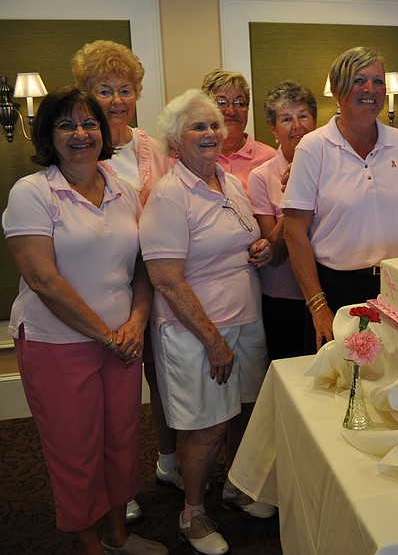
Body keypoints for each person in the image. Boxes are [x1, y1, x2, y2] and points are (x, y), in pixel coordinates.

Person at [2, 86, 167, 555]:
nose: (81, 134)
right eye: (66, 124)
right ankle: (87, 542)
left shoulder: (122, 188)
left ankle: (117, 535)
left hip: (121, 341)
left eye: (89, 123)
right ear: (47, 134)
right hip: (56, 343)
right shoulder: (32, 193)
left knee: (122, 442)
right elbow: (43, 279)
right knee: (75, 452)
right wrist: (106, 335)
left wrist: (134, 324)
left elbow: (142, 266)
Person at [139, 89, 276, 555]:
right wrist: (214, 342)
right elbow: (166, 279)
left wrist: (258, 249)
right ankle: (192, 515)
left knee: (241, 410)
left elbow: (235, 240)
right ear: (175, 142)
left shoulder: (229, 181)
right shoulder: (169, 194)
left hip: (245, 317)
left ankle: (236, 485)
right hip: (195, 332)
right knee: (207, 426)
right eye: (198, 127)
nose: (211, 133)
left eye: (214, 125)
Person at [72, 38, 178, 525]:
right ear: (87, 95)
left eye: (125, 89)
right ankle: (117, 485)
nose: (117, 100)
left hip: (154, 278)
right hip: (104, 281)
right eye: (105, 90)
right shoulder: (81, 148)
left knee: (163, 377)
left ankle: (169, 461)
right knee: (112, 392)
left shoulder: (152, 147)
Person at [282, 46, 398, 352]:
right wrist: (319, 307)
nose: (370, 90)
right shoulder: (313, 147)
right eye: (359, 80)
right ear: (336, 89)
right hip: (337, 291)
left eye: (377, 81)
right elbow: (293, 233)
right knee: (340, 388)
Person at [248, 81, 317, 359]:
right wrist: (294, 197)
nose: (297, 126)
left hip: (327, 287)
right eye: (286, 119)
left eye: (303, 116)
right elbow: (274, 255)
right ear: (273, 129)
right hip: (284, 297)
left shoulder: (332, 167)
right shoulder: (261, 177)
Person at [201, 68, 275, 192]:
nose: (231, 111)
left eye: (240, 103)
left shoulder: (269, 158)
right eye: (222, 102)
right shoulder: (196, 157)